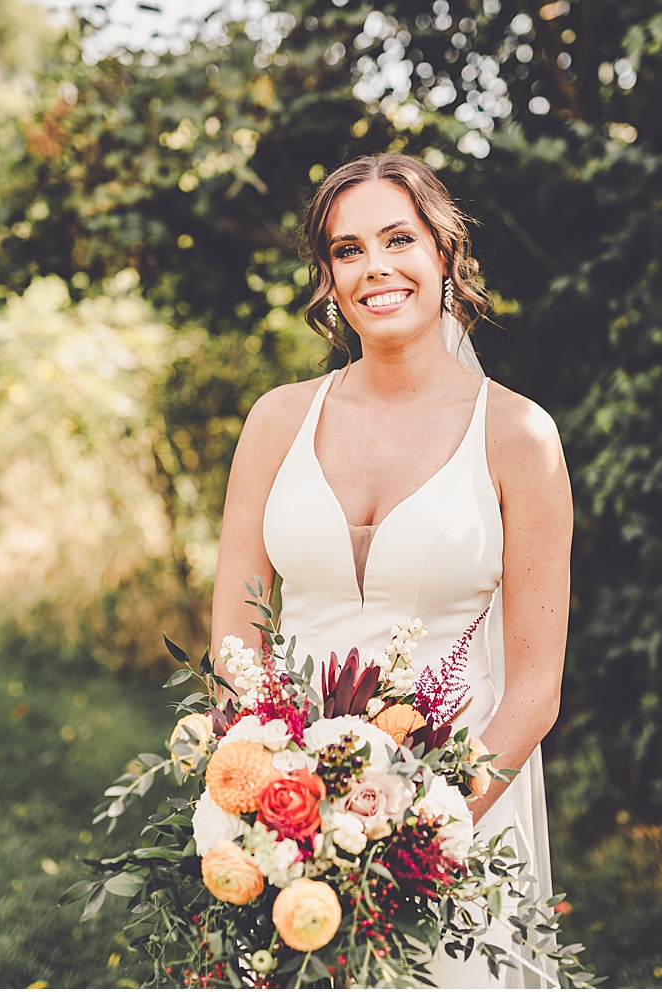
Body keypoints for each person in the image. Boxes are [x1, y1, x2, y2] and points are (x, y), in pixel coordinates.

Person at [210, 153, 572, 988]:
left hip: (459, 803)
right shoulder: (276, 422)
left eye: (398, 239)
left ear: (444, 255)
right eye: (347, 249)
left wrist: (425, 836)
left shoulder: (519, 437)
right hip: (286, 802)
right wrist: (260, 790)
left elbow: (534, 690)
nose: (375, 267)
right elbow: (236, 627)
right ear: (328, 277)